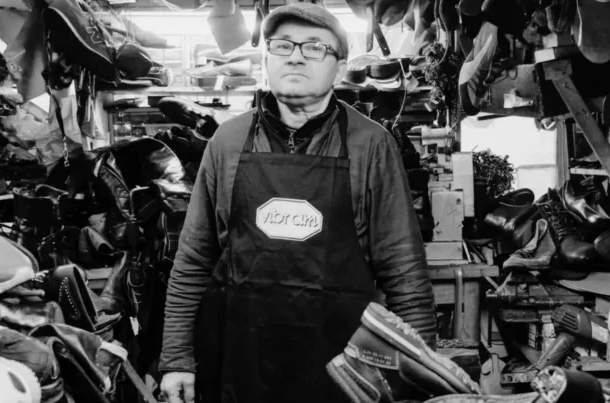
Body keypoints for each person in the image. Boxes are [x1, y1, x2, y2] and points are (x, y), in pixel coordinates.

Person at [158, 3, 437, 402]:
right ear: (267, 60)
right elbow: (193, 260)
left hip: (342, 373)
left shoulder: (371, 144)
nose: (295, 57)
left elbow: (404, 270)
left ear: (339, 69)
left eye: (314, 48)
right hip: (239, 363)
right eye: (283, 45)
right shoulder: (228, 142)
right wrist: (176, 358)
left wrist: (422, 378)